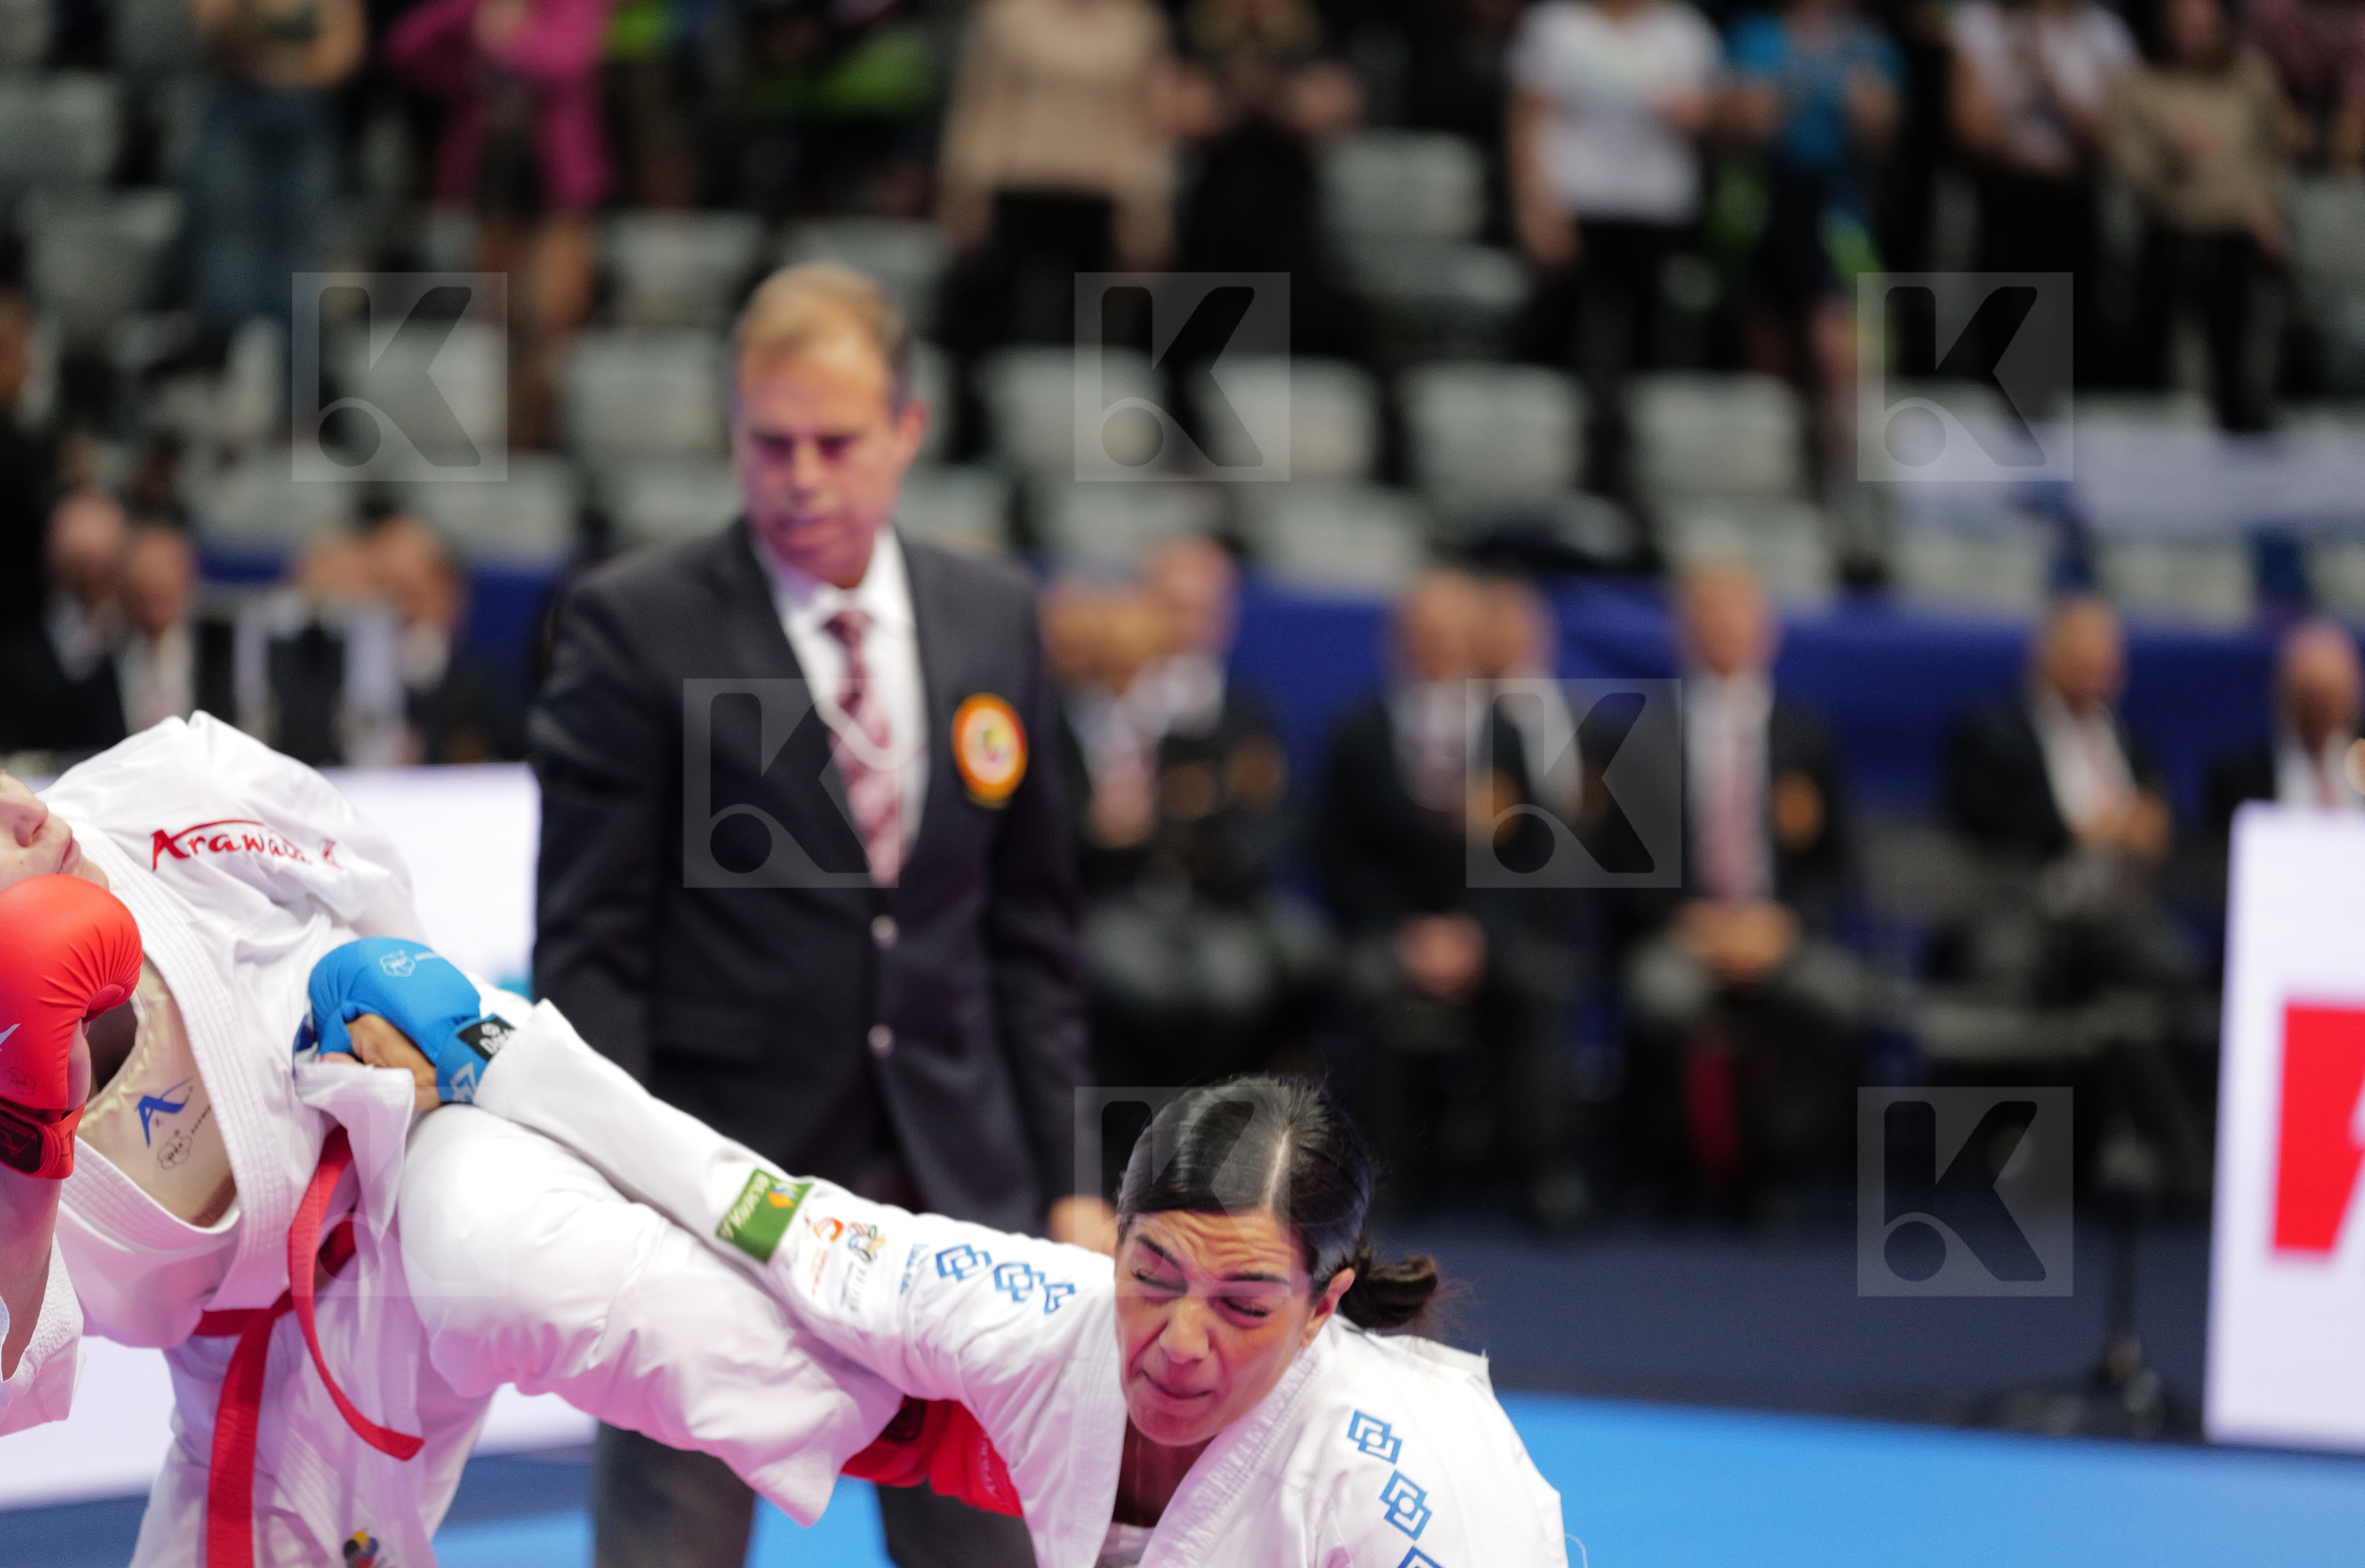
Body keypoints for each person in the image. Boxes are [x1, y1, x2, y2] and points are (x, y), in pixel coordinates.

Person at [0, 723, 918, 1567]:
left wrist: (418, 1039)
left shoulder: (166, 785)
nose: (24, 810)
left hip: (414, 1156)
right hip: (265, 1379)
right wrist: (29, 1145)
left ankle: (923, 1414)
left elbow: (367, 881)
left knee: (561, 1271)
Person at [532, 261, 1098, 1568]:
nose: (799, 476)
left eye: (834, 442)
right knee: (667, 1554)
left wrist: (1072, 1176)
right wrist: (624, 1191)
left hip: (955, 1192)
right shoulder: (636, 624)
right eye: (768, 441)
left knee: (992, 1556)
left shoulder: (992, 615)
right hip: (714, 1199)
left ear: (907, 428)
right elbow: (592, 946)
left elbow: (1032, 935)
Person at [371, 996, 1575, 1567]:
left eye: (1243, 1305)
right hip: (1004, 1432)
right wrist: (492, 1049)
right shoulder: (1045, 1308)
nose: (1178, 1340)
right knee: (624, 1296)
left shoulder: (1418, 1495)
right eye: (1152, 1274)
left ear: (1323, 1306)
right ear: (1112, 1241)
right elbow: (765, 1209)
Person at [1314, 570, 1585, 1231]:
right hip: (1389, 928)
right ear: (1397, 641)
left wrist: (1474, 933)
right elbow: (1337, 853)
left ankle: (1541, 1169)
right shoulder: (1360, 729)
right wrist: (1405, 932)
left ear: (1473, 642)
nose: (1436, 646)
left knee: (1538, 983)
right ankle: (1386, 1173)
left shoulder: (1508, 734)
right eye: (1423, 633)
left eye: (1450, 634)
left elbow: (1531, 856)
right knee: (1367, 982)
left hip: (1485, 930)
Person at [1939, 595, 2209, 1201]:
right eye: (2081, 660)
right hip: (2023, 900)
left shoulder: (2131, 740)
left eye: (2105, 663)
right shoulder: (1990, 730)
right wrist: (2075, 828)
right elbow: (1975, 813)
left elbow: (2154, 818)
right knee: (2009, 973)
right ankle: (2016, 1136)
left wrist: (2146, 831)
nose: (2095, 674)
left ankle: (2161, 1145)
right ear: (2045, 659)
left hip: (2115, 910)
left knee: (2172, 973)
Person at [1618, 565, 1859, 1218]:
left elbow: (1838, 865)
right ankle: (1680, 1169)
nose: (1724, 632)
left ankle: (1777, 1169)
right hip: (1681, 931)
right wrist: (1685, 920)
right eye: (1709, 619)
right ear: (1683, 634)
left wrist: (1785, 925)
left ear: (1766, 633)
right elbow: (1618, 863)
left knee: (1832, 995)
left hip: (1779, 931)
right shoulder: (1642, 735)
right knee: (1661, 996)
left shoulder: (1805, 735)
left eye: (1737, 619)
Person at [1506, 0, 1719, 500]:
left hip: (1655, 209)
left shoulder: (1683, 31)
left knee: (1649, 349)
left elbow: (1713, 113)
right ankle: (1553, 465)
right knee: (1562, 341)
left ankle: (1638, 474)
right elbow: (1527, 118)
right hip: (1577, 203)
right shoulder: (1558, 26)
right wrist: (1535, 207)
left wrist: (1691, 114)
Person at [386, 0, 617, 448]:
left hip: (558, 186)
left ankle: (546, 433)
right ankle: (501, 432)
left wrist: (505, 37)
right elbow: (406, 47)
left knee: (551, 318)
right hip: (492, 178)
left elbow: (567, 59)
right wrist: (481, 17)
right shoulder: (486, 9)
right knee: (496, 325)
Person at [1725, 0, 1901, 496]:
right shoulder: (1758, 37)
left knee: (1840, 343)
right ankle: (1768, 469)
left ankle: (1843, 464)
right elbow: (1751, 123)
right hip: (1769, 197)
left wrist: (1861, 104)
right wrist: (1808, 84)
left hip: (1837, 205)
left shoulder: (1867, 45)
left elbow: (1879, 133)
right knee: (1767, 343)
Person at [935, 0, 1178, 349]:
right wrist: (964, 190)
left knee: (1089, 330)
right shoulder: (1009, 17)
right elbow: (979, 106)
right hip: (1018, 182)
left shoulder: (1138, 25)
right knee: (992, 318)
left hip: (1102, 190)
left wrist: (1148, 208)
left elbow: (1150, 123)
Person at [2109, 0, 2293, 433]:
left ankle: (2243, 440)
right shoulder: (2142, 82)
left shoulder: (2251, 79)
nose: (2192, 34)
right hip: (2167, 227)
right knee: (2150, 346)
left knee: (2234, 350)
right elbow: (2123, 159)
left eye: (2202, 24)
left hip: (2232, 230)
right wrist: (2167, 159)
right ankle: (2147, 439)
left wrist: (2265, 207)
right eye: (2182, 23)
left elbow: (2271, 154)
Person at [1951, 0, 2136, 387]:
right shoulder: (1983, 23)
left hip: (2072, 194)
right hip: (2004, 192)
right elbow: (1971, 130)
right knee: (2001, 313)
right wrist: (2021, 79)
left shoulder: (2103, 34)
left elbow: (2109, 139)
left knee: (2073, 316)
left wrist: (2051, 79)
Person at [184, 0, 366, 346]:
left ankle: (295, 369)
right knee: (229, 246)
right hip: (236, 107)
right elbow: (214, 30)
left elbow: (341, 55)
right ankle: (228, 355)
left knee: (302, 251)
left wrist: (276, 58)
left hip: (305, 115)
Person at [367, 514, 526, 763]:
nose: (399, 611)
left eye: (410, 593)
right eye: (383, 594)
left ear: (449, 593)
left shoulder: (482, 691)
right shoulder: (331, 684)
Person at [0, 489, 128, 760]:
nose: (91, 578)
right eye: (79, 566)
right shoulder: (19, 656)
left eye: (101, 567)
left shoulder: (136, 635)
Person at [2207, 618, 2365, 833]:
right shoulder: (2237, 780)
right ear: (2285, 696)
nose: (2320, 713)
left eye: (2331, 699)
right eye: (2310, 698)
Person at [114, 523, 235, 738]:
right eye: (141, 598)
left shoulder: (223, 650)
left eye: (161, 598)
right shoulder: (106, 656)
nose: (151, 614)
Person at [2243, 0, 2365, 172]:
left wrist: (2353, 121)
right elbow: (2252, 66)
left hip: (2338, 102)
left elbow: (2357, 86)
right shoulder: (2273, 10)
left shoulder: (2359, 20)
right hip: (2283, 94)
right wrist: (2280, 108)